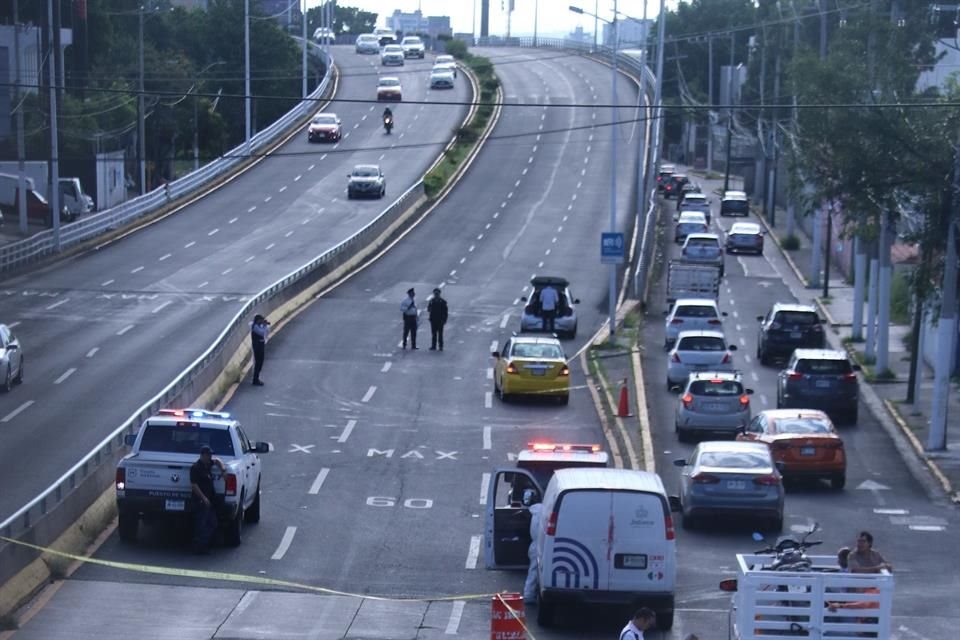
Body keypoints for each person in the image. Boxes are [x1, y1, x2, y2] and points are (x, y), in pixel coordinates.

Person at [190, 445, 225, 554]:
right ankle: (199, 547)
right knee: (202, 524)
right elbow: (194, 485)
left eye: (210, 455)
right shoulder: (196, 468)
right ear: (203, 455)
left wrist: (223, 469)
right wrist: (203, 498)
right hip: (200, 501)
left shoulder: (208, 464)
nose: (210, 457)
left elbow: (217, 461)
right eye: (208, 455)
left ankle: (204, 544)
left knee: (212, 523)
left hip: (209, 500)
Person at [522, 489, 543, 604]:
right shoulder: (542, 510)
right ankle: (529, 595)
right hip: (541, 545)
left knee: (534, 571)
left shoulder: (534, 511)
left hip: (535, 545)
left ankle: (529, 594)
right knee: (537, 572)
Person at [250, 314, 270, 386]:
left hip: (261, 345)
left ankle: (256, 378)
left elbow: (266, 333)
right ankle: (255, 379)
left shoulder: (259, 326)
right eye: (261, 320)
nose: (262, 321)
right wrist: (264, 326)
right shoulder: (255, 327)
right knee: (258, 363)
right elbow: (262, 333)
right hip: (257, 346)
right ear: (258, 320)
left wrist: (266, 326)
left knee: (260, 362)